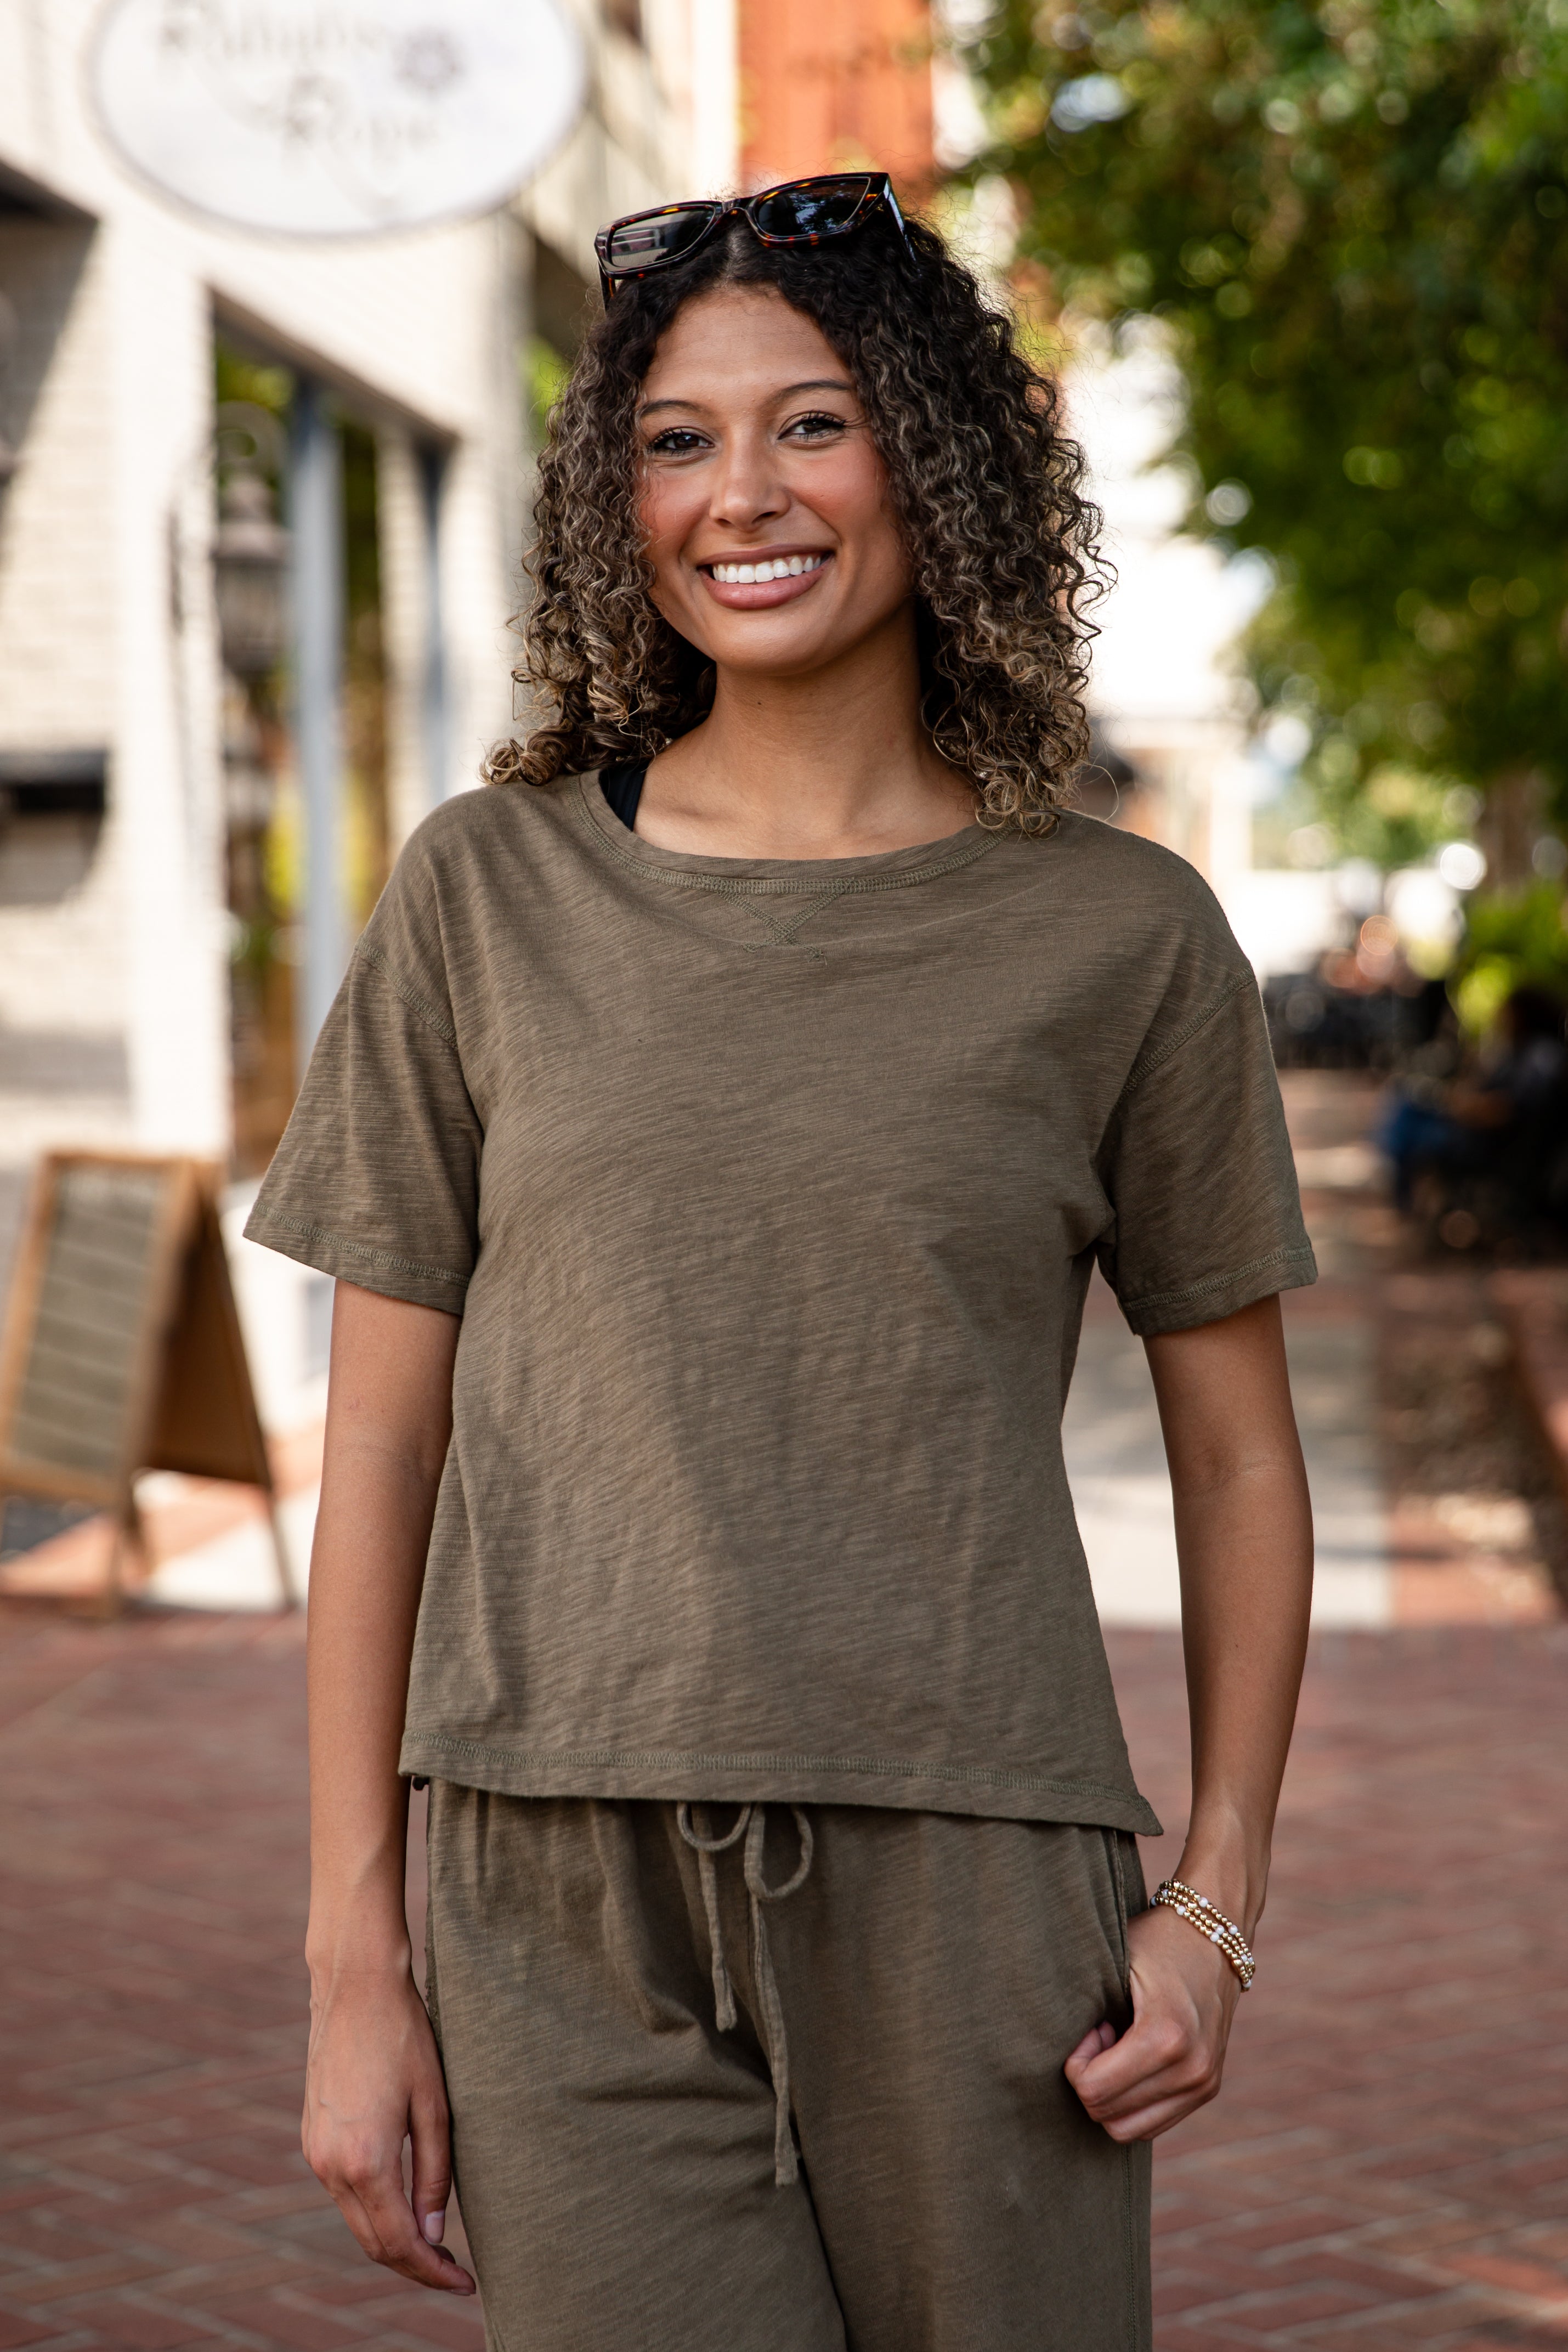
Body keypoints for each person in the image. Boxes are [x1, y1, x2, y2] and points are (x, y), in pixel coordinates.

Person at [247, 173, 1317, 2350]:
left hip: (979, 1883)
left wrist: (1213, 1894)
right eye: (673, 437)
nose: (741, 492)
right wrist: (355, 1944)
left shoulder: (1116, 935)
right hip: (560, 1891)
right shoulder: (484, 894)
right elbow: (378, 1443)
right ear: (611, 499)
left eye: (812, 423)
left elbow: (1234, 1459)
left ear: (932, 459)